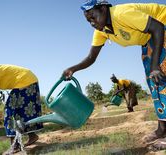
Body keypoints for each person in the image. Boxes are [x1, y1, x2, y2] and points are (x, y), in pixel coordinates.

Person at [62, 0, 166, 150]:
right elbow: (91, 57)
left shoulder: (121, 14)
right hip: (148, 40)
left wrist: (155, 64)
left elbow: (157, 27)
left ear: (103, 9)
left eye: (93, 16)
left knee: (161, 77)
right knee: (155, 83)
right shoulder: (101, 31)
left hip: (162, 26)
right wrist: (72, 69)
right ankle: (162, 129)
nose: (91, 22)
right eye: (88, 20)